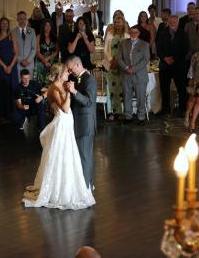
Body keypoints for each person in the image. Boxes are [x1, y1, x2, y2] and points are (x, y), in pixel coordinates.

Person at [23, 64, 95, 210]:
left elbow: (75, 80)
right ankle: (59, 190)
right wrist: (69, 93)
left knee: (69, 156)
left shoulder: (61, 84)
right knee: (61, 156)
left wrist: (83, 73)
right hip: (62, 124)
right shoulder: (54, 88)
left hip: (67, 123)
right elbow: (65, 108)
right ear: (60, 74)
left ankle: (70, 185)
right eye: (66, 72)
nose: (68, 74)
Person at [65, 55, 97, 189]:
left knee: (85, 157)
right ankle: (87, 184)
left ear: (77, 65)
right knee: (83, 156)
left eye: (71, 69)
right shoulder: (79, 79)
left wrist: (74, 91)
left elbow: (89, 102)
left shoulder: (89, 80)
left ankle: (85, 188)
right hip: (80, 122)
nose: (70, 72)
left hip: (86, 124)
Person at [155, 15, 189, 116]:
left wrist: (174, 59)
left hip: (178, 66)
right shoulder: (162, 33)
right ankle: (165, 109)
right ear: (168, 22)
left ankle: (182, 109)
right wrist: (165, 58)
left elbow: (186, 49)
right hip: (165, 65)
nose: (173, 24)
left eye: (175, 22)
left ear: (178, 23)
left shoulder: (183, 33)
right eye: (171, 22)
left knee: (181, 88)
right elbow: (158, 47)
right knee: (164, 88)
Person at [117, 26, 150, 125]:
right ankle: (128, 116)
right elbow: (119, 58)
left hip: (140, 75)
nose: (133, 34)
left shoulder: (145, 44)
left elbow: (145, 60)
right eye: (131, 32)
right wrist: (126, 68)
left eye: (135, 32)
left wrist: (133, 69)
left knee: (141, 97)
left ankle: (141, 117)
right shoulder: (123, 43)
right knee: (127, 96)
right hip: (126, 74)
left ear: (139, 33)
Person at [103, 15, 129, 121]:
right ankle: (112, 112)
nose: (117, 24)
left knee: (122, 89)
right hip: (110, 65)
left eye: (119, 22)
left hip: (122, 66)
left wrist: (119, 62)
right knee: (112, 89)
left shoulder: (127, 36)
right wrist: (111, 60)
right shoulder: (109, 34)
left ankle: (122, 112)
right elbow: (106, 50)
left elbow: (128, 52)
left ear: (123, 23)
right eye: (116, 22)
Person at [0, 17, 18, 119]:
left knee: (13, 87)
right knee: (4, 89)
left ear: (8, 25)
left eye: (6, 23)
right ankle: (5, 112)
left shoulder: (11, 36)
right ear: (0, 25)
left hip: (12, 65)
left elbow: (16, 53)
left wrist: (11, 66)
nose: (4, 25)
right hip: (1, 66)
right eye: (2, 23)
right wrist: (4, 66)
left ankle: (14, 110)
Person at [13, 11, 37, 80]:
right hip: (19, 64)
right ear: (17, 19)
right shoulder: (12, 32)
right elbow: (13, 49)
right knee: (20, 86)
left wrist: (28, 61)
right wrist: (20, 60)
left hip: (29, 64)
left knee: (29, 85)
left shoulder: (32, 31)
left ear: (26, 19)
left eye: (24, 19)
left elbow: (34, 48)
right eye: (20, 19)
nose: (22, 21)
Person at [35, 19, 59, 86]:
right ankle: (42, 91)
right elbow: (37, 52)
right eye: (46, 25)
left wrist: (48, 58)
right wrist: (44, 61)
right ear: (43, 27)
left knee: (55, 69)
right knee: (40, 66)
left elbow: (57, 51)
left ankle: (52, 91)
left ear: (51, 27)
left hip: (52, 59)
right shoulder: (39, 37)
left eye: (49, 26)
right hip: (41, 60)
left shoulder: (55, 37)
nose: (48, 27)